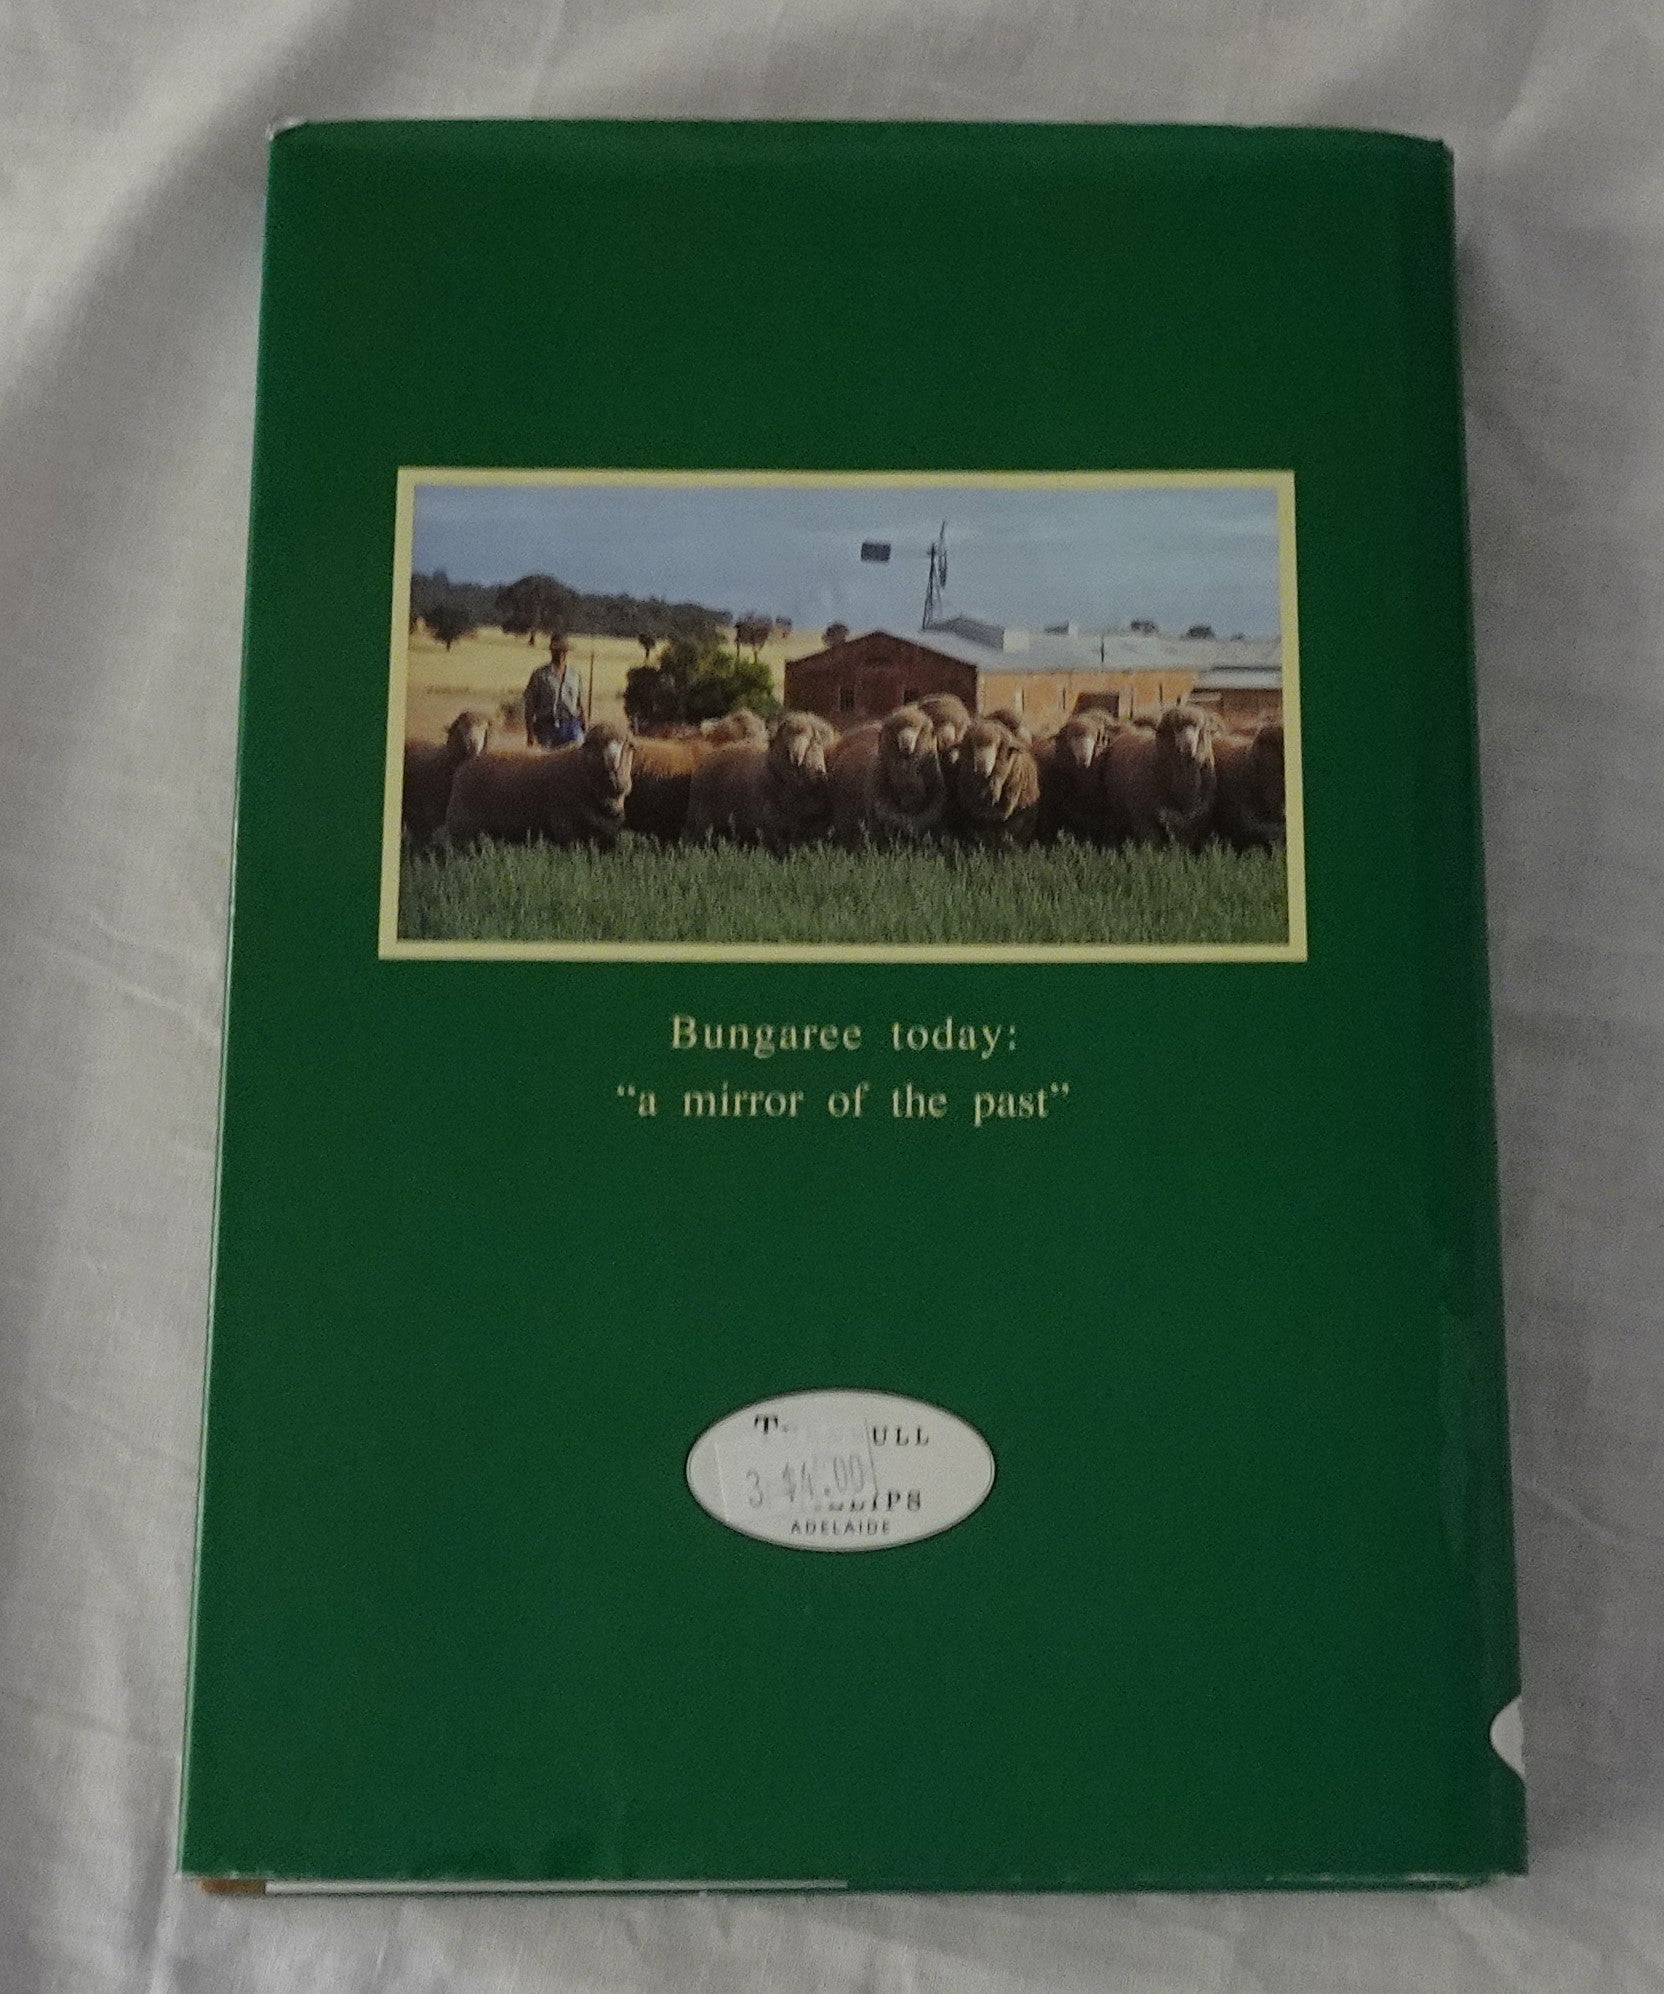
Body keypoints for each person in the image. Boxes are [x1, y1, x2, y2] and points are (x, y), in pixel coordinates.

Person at [523, 640, 586, 747]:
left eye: (563, 650)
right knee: (547, 757)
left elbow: (580, 702)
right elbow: (530, 705)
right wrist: (530, 733)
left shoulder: (575, 675)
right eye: (557, 650)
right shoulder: (540, 675)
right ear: (551, 651)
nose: (560, 653)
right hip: (546, 727)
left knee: (578, 754)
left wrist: (584, 723)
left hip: (571, 726)